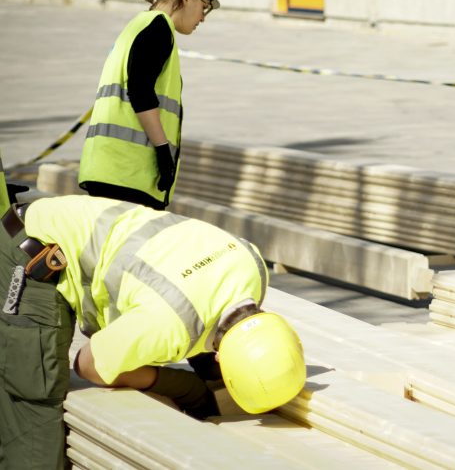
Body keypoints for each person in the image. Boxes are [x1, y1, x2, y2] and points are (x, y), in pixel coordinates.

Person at [0, 194, 306, 469]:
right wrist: (186, 388)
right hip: (34, 252)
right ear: (220, 358)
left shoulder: (253, 266)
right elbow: (88, 365)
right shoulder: (166, 323)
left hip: (82, 222)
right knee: (35, 398)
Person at [79, 0, 220, 211]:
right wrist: (162, 151)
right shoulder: (158, 28)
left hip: (109, 169)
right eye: (205, 6)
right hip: (128, 175)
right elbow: (140, 89)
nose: (203, 17)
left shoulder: (137, 25)